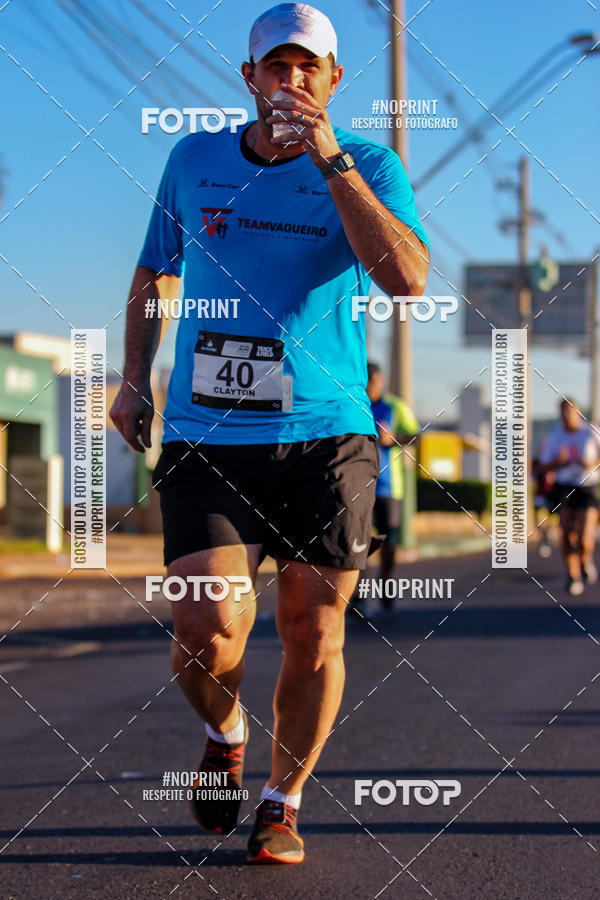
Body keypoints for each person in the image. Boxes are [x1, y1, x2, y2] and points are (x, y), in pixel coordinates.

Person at [110, 1, 429, 865]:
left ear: (332, 80)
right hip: (209, 433)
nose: (291, 82)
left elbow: (404, 278)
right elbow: (152, 270)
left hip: (327, 435)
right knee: (208, 624)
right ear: (248, 78)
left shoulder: (369, 163)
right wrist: (134, 373)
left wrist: (331, 163)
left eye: (308, 68)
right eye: (274, 68)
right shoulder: (195, 158)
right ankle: (225, 736)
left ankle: (283, 802)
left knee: (311, 629)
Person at [350, 362, 419, 615]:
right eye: (367, 380)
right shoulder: (354, 403)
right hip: (357, 486)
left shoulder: (395, 407)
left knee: (388, 542)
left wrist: (394, 440)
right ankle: (358, 596)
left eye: (374, 380)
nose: (371, 385)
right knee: (360, 542)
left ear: (380, 380)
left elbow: (416, 436)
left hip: (389, 487)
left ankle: (386, 579)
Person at [539, 398, 600, 595]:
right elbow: (543, 465)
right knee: (566, 533)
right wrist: (558, 462)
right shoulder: (555, 437)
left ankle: (585, 560)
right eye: (564, 412)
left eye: (571, 411)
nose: (567, 416)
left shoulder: (590, 432)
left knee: (583, 537)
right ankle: (573, 576)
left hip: (587, 487)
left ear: (578, 412)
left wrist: (591, 463)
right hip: (563, 487)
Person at [531, 448, 555, 558]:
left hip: (553, 497)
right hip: (540, 497)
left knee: (550, 522)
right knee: (540, 522)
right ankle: (544, 540)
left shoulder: (554, 462)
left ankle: (546, 539)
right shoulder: (536, 463)